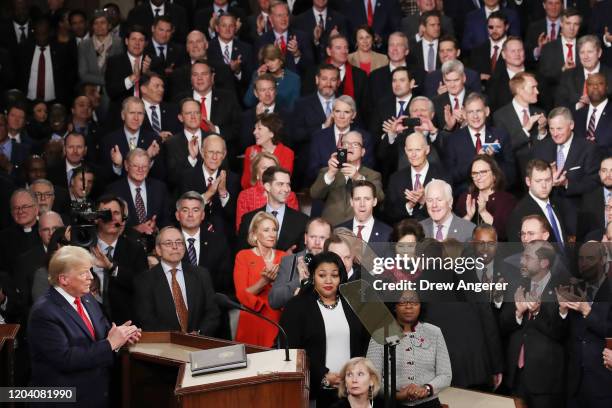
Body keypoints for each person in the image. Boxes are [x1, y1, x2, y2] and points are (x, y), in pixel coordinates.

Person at [28, 245, 141, 407]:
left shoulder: (88, 299)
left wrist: (122, 338)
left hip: (96, 396)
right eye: (83, 273)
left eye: (90, 270)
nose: (91, 277)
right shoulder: (44, 312)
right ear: (63, 279)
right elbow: (65, 359)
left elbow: (104, 338)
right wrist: (111, 343)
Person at [280, 251, 367, 408]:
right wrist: (323, 376)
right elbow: (293, 350)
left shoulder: (353, 303)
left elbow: (364, 343)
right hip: (314, 392)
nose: (328, 280)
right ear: (313, 276)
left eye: (334, 275)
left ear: (341, 277)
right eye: (322, 275)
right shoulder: (297, 306)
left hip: (352, 389)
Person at [500, 240, 568, 408]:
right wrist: (518, 312)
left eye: (528, 258)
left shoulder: (562, 288)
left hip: (545, 381)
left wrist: (537, 313)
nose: (522, 262)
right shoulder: (518, 285)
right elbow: (502, 324)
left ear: (544, 263)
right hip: (516, 375)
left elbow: (560, 333)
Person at [366, 290, 451, 407]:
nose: (409, 306)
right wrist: (397, 395)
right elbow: (371, 379)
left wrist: (425, 389)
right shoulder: (380, 334)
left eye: (414, 302)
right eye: (402, 302)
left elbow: (445, 375)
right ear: (394, 306)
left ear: (421, 306)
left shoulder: (434, 332)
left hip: (429, 404)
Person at [134, 226, 220, 334]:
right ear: (158, 250)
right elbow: (147, 319)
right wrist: (177, 339)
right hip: (165, 346)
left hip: (199, 342)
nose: (175, 247)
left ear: (184, 247)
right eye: (168, 243)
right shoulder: (145, 280)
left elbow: (212, 312)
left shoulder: (201, 274)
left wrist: (199, 333)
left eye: (179, 242)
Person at [310, 131, 383, 226]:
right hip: (330, 227)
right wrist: (331, 173)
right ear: (340, 149)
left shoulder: (372, 175)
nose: (349, 147)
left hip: (357, 228)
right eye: (346, 144)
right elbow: (315, 194)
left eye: (355, 144)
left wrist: (358, 178)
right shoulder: (328, 171)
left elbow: (380, 197)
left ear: (363, 152)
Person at [234, 211, 285, 347]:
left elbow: (288, 294)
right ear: (255, 234)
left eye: (274, 230)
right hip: (251, 318)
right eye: (266, 230)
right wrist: (264, 282)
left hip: (276, 320)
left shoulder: (284, 257)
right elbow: (241, 294)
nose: (272, 234)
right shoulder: (243, 256)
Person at [238, 166, 307, 251]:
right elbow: (241, 253)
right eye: (280, 184)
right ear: (267, 186)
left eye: (288, 184)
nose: (286, 189)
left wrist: (294, 259)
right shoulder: (249, 219)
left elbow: (307, 256)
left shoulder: (302, 221)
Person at [176, 191, 232, 295]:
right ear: (177, 215)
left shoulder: (218, 242)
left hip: (211, 303)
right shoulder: (168, 242)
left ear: (202, 215)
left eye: (195, 210)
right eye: (185, 210)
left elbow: (225, 281)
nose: (190, 215)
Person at [269, 217, 333, 309]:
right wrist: (299, 280)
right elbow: (274, 301)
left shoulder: (335, 262)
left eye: (322, 238)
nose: (317, 242)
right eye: (313, 237)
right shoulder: (290, 261)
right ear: (305, 238)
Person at [385, 132, 448, 223]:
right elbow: (387, 213)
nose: (413, 154)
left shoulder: (442, 176)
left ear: (427, 150)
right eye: (410, 150)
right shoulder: (395, 179)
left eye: (418, 150)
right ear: (405, 151)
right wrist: (409, 205)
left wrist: (424, 201)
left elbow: (448, 210)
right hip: (404, 232)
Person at [454, 155, 517, 241]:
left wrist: (483, 212)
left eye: (483, 172)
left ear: (494, 174)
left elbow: (505, 234)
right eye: (474, 173)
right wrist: (468, 216)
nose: (478, 177)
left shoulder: (507, 200)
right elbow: (455, 235)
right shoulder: (465, 198)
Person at [235, 152, 299, 231]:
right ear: (256, 173)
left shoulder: (289, 195)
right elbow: (241, 229)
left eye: (272, 168)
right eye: (264, 168)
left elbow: (295, 227)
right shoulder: (245, 196)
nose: (269, 171)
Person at [241, 112, 294, 189]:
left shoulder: (287, 153)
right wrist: (253, 164)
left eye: (259, 128)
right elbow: (245, 184)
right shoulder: (250, 151)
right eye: (255, 128)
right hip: (255, 197)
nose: (254, 132)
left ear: (272, 133)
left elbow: (282, 184)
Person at [244, 44, 301, 109]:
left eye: (273, 60)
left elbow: (293, 107)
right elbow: (248, 102)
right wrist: (258, 79)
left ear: (281, 60)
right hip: (261, 116)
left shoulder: (294, 79)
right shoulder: (258, 74)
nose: (270, 64)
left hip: (284, 117)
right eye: (267, 61)